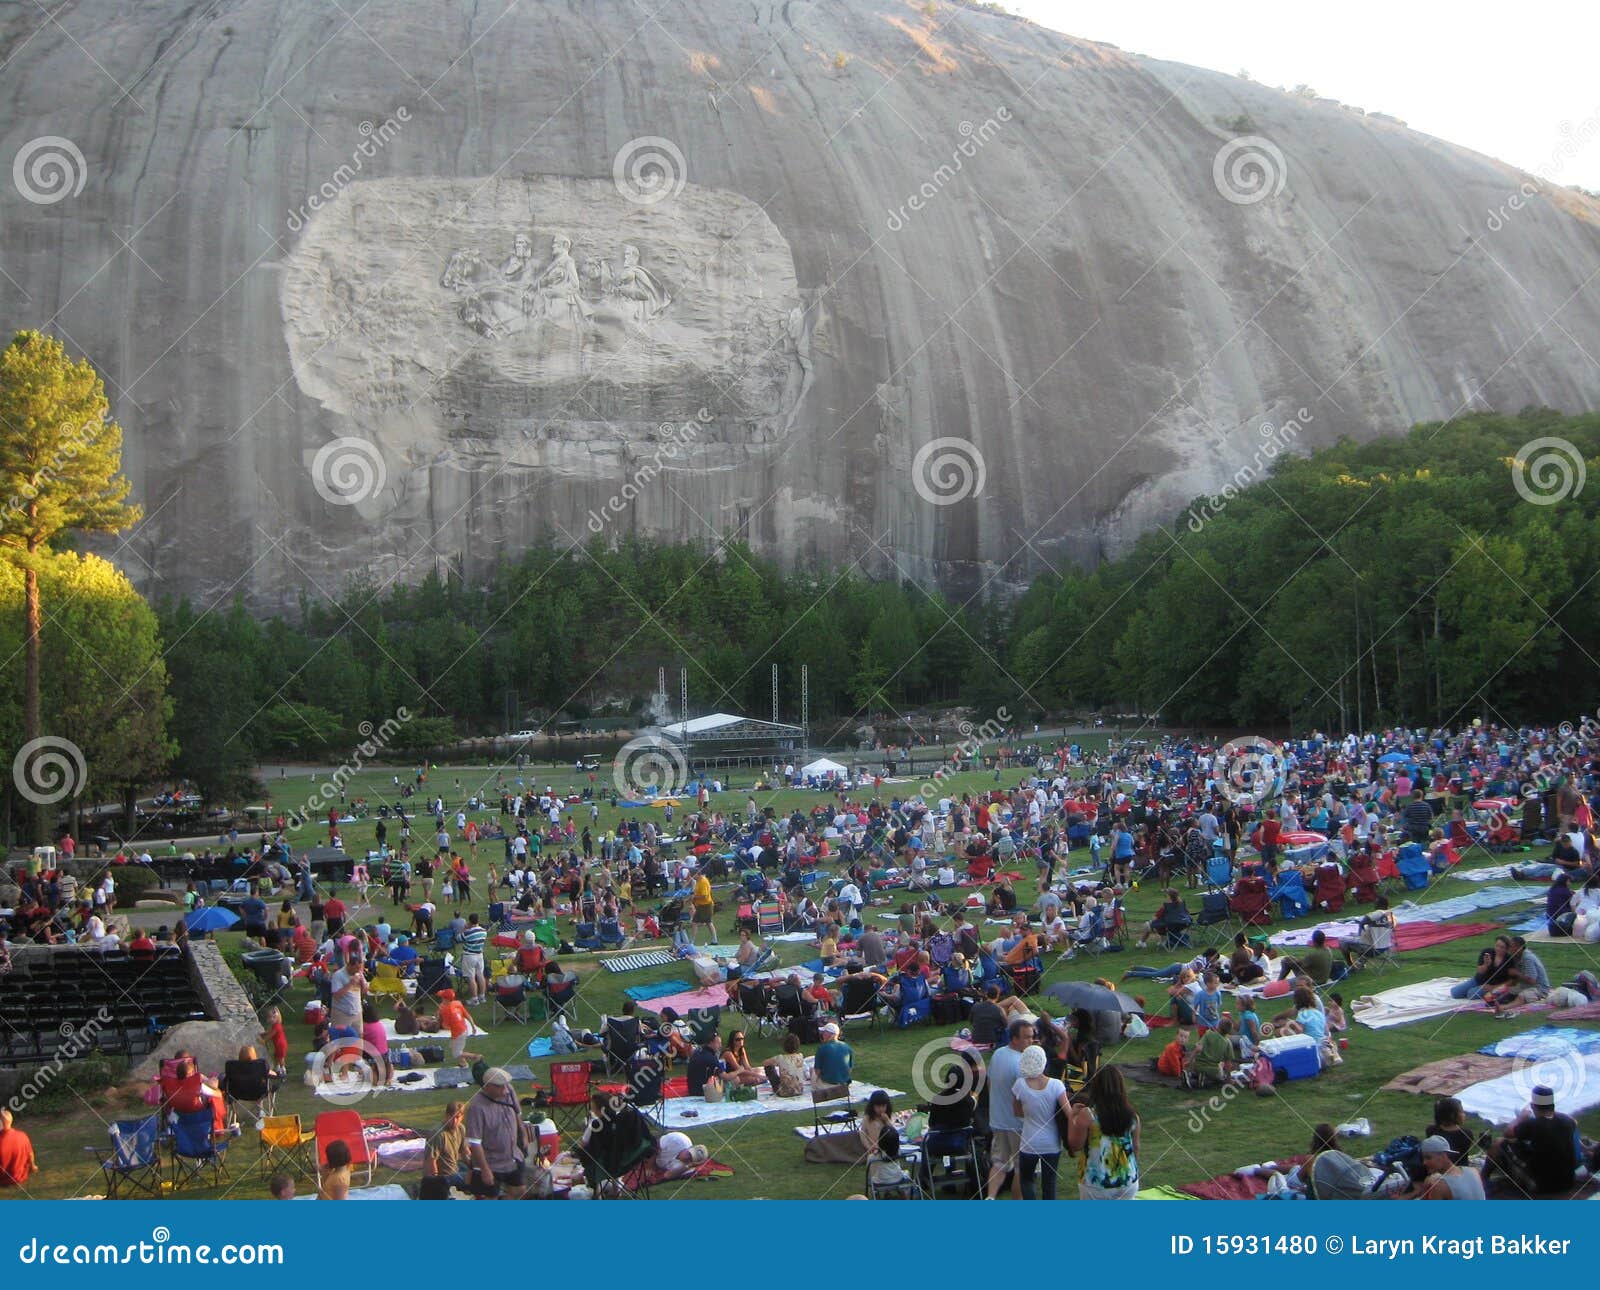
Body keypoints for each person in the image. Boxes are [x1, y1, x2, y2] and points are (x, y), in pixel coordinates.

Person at [1067, 1066, 1140, 1199]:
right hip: (1127, 1179)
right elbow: (1136, 1148)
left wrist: (1072, 1117)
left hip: (1096, 1182)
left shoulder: (1088, 1115)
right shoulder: (1133, 1116)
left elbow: (1075, 1145)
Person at [1496, 1083, 1579, 1195]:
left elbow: (1507, 1134)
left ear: (1533, 1105)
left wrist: (1520, 1117)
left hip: (1542, 1185)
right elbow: (1573, 1121)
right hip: (1568, 1181)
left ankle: (1483, 1180)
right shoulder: (1567, 1121)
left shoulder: (1532, 1124)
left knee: (1500, 1143)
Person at [984, 1016, 1035, 1199]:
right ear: (1014, 1038)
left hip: (997, 1120)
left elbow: (989, 1083)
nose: (1031, 1041)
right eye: (1027, 1037)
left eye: (1032, 1036)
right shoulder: (1021, 1064)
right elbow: (1024, 1098)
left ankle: (990, 1198)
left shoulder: (998, 1054)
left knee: (999, 1163)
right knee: (1023, 1167)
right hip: (1017, 1124)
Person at [1011, 1044, 1068, 1199]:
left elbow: (1017, 1111)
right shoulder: (1057, 1085)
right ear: (1044, 1062)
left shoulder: (1019, 1086)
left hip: (1029, 1142)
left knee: (1027, 1181)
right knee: (1049, 1185)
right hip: (1052, 1143)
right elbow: (1068, 1113)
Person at [465, 1067, 531, 1198]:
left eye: (506, 1085)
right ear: (488, 1086)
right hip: (491, 1163)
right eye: (501, 1087)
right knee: (489, 1198)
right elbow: (475, 1142)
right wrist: (485, 1170)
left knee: (520, 1192)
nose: (505, 1090)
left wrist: (523, 1135)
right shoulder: (476, 1107)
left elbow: (517, 1113)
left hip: (513, 1157)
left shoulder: (508, 1091)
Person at [859, 1089, 910, 1190]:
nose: (881, 1109)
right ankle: (878, 1184)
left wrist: (887, 1121)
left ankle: (894, 1184)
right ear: (872, 1106)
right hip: (874, 1150)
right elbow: (862, 1133)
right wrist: (868, 1146)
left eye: (883, 1106)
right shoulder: (867, 1118)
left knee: (891, 1166)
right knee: (876, 1168)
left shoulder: (887, 1118)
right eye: (878, 1106)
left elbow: (893, 1133)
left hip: (888, 1149)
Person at [1302, 1122, 1368, 1199]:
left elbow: (1301, 1179)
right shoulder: (1340, 1156)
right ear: (1334, 1137)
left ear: (1315, 1138)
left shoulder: (1311, 1159)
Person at [1414, 1135, 1485, 1199]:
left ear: (1443, 1155)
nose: (1424, 1162)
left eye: (1428, 1158)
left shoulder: (1438, 1186)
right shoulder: (1474, 1171)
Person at [426, 1100, 469, 1192]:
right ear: (446, 1115)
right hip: (445, 1176)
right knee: (474, 1178)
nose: (454, 1121)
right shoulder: (438, 1134)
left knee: (478, 1172)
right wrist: (436, 1183)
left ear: (462, 1117)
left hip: (456, 1167)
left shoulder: (461, 1128)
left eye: (457, 1117)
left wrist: (473, 1166)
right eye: (451, 1117)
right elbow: (431, 1161)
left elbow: (465, 1152)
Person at [1426, 1096, 1473, 1163]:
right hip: (1458, 1169)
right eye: (1462, 1112)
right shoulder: (1466, 1133)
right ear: (1452, 1115)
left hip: (1437, 1165)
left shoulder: (1430, 1130)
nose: (1464, 1115)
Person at [0, 1108, 36, 1188]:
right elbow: (30, 1154)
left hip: (2, 1180)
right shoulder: (22, 1135)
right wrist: (33, 1166)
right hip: (20, 1176)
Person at [813, 1022, 854, 1089]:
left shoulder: (822, 1048)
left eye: (824, 1032)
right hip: (844, 1084)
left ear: (828, 1034)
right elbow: (849, 1069)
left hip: (827, 1085)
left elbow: (817, 1071)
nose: (822, 1034)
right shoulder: (847, 1046)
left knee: (812, 1074)